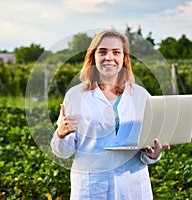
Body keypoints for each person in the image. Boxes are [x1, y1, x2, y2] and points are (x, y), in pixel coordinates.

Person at [51, 29, 170, 199]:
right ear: (93, 57)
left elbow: (147, 151)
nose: (109, 57)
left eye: (116, 52)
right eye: (103, 52)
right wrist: (61, 134)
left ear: (124, 58)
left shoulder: (141, 95)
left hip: (132, 186)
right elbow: (62, 152)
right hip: (92, 188)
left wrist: (154, 154)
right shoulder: (75, 96)